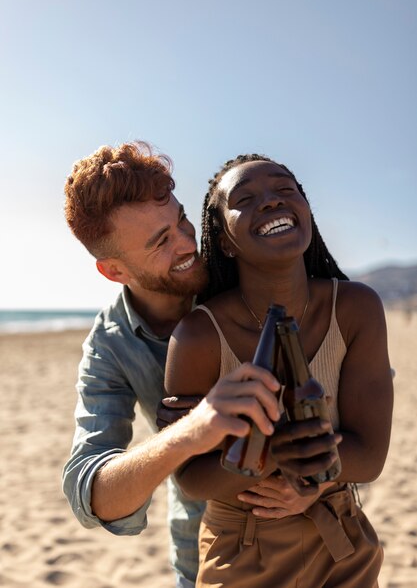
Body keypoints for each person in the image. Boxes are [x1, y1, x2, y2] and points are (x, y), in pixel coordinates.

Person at [62, 141, 338, 588]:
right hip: (208, 562)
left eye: (181, 220)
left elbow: (353, 391)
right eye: (161, 242)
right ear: (114, 271)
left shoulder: (244, 264)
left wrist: (317, 478)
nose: (189, 243)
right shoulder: (110, 346)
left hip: (321, 548)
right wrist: (192, 432)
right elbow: (90, 495)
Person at [164, 153, 394, 587]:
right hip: (241, 549)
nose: (271, 202)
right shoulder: (199, 334)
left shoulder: (357, 308)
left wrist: (312, 481)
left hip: (341, 545)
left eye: (286, 190)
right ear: (225, 241)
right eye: (245, 199)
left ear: (306, 210)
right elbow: (190, 476)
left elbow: (371, 456)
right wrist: (278, 460)